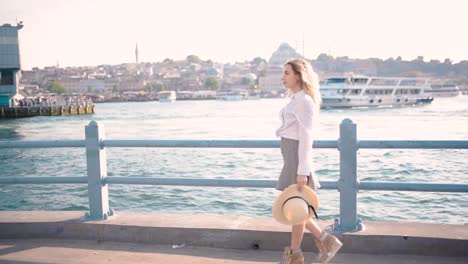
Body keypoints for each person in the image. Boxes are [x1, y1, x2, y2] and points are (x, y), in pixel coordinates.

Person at [275, 59, 342, 264]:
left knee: (296, 208)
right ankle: (325, 241)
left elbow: (306, 137)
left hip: (297, 157)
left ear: (298, 75)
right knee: (297, 207)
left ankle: (294, 255)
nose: (283, 77)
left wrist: (302, 170)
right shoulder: (297, 99)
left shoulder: (304, 101)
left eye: (287, 73)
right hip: (291, 157)